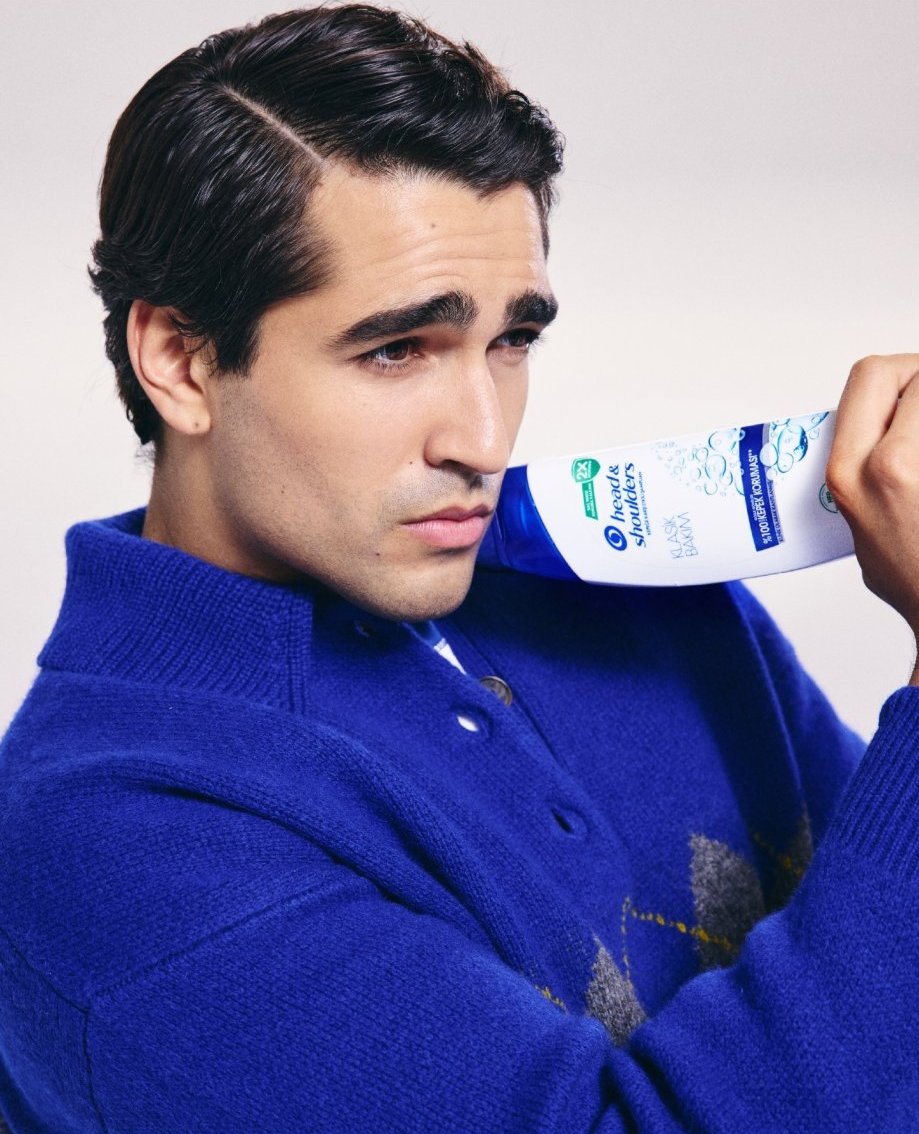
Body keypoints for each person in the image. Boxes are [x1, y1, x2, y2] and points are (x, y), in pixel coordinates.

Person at [0, 5, 917, 1131]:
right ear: (180, 361)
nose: (481, 437)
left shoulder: (619, 589)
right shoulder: (104, 837)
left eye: (510, 340)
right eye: (397, 350)